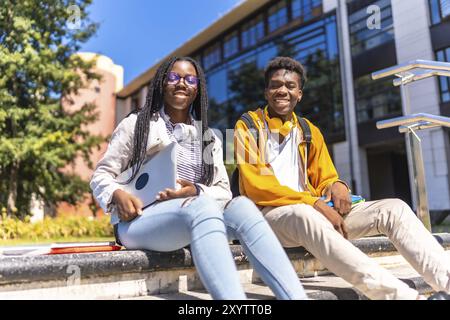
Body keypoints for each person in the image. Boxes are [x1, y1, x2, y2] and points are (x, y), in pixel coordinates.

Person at [90, 56, 307, 300]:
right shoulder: (137, 125)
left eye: (190, 79)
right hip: (139, 222)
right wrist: (117, 194)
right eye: (174, 77)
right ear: (163, 83)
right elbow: (101, 175)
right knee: (201, 206)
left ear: (197, 89)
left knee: (243, 206)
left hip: (193, 216)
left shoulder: (209, 138)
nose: (181, 83)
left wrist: (194, 190)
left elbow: (224, 191)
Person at [234, 56, 450, 300]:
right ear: (266, 92)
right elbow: (258, 186)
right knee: (303, 214)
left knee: (394, 208)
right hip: (270, 217)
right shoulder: (248, 126)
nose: (282, 91)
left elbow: (325, 177)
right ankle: (404, 298)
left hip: (314, 214)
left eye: (290, 86)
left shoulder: (308, 131)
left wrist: (337, 185)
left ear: (300, 94)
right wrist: (313, 203)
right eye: (275, 85)